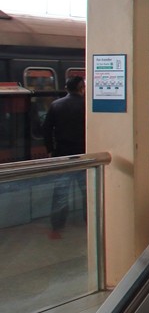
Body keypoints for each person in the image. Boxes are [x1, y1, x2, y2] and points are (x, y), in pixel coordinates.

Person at [43, 76, 86, 239]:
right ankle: (90, 222)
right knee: (87, 191)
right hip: (84, 154)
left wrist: (50, 150)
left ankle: (57, 227)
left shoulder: (56, 105)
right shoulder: (86, 106)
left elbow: (46, 129)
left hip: (62, 153)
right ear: (81, 87)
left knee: (60, 192)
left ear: (66, 88)